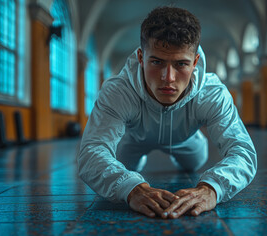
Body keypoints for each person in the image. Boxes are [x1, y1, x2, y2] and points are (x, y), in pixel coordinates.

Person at [78, 6, 257, 219]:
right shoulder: (118, 91)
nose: (168, 77)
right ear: (141, 57)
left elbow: (243, 151)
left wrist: (213, 187)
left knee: (196, 162)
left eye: (181, 64)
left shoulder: (212, 93)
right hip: (133, 139)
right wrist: (130, 187)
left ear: (195, 62)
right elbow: (92, 151)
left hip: (186, 139)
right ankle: (137, 163)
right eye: (157, 62)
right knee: (126, 168)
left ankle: (193, 140)